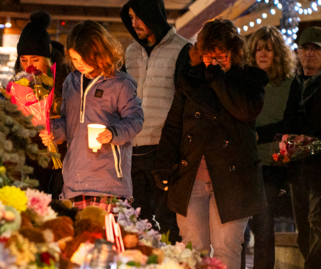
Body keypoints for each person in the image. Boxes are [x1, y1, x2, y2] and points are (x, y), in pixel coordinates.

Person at [152, 18, 268, 268]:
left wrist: (217, 78)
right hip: (192, 176)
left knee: (226, 248)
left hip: (233, 180)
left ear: (234, 53)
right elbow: (174, 126)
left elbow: (245, 111)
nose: (213, 63)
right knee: (193, 250)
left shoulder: (250, 79)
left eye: (221, 57)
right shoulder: (190, 79)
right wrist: (163, 165)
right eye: (208, 57)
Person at [40, 20, 144, 211]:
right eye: (74, 59)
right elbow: (68, 122)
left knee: (108, 239)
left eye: (83, 59)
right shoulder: (71, 82)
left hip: (109, 184)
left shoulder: (121, 83)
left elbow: (135, 119)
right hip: (75, 181)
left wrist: (113, 133)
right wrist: (53, 131)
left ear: (98, 53)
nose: (78, 65)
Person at [120, 0, 191, 241]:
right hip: (133, 147)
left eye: (138, 16)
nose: (134, 23)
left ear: (153, 15)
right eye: (130, 17)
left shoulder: (183, 50)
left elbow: (185, 103)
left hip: (165, 149)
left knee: (167, 221)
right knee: (135, 221)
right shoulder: (131, 51)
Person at [245, 26, 295, 269]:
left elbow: (292, 121)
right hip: (242, 163)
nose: (262, 54)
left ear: (277, 53)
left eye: (268, 49)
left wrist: (260, 134)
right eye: (258, 49)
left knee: (263, 228)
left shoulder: (287, 83)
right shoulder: (244, 80)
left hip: (271, 164)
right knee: (239, 232)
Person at [12, 10, 70, 197]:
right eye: (24, 60)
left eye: (35, 59)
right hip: (31, 156)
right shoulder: (19, 83)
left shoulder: (65, 80)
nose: (29, 65)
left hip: (62, 154)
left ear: (46, 59)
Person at [282, 26, 321, 269]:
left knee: (317, 221)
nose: (309, 53)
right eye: (305, 48)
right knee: (303, 229)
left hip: (319, 165)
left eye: (315, 49)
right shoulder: (290, 83)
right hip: (298, 167)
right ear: (298, 52)